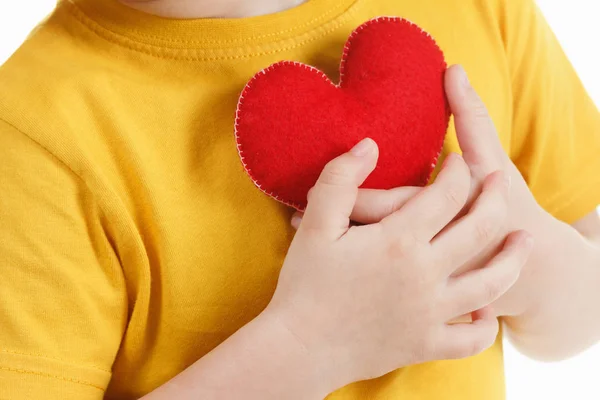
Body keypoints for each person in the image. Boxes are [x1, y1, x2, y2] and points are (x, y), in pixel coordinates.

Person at [0, 0, 599, 399]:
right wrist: (309, 346)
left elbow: (584, 310)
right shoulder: (35, 133)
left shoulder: (476, 8)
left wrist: (524, 253)